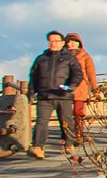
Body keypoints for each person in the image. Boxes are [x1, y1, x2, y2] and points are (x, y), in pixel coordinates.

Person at [28, 30, 83, 159]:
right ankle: (37, 146)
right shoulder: (41, 58)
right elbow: (33, 76)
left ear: (62, 43)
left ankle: (68, 143)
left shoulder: (69, 57)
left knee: (66, 121)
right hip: (45, 95)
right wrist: (31, 91)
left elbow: (78, 74)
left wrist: (71, 86)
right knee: (41, 121)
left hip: (63, 95)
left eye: (56, 41)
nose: (53, 43)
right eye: (51, 41)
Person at [64, 32, 99, 151]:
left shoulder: (85, 56)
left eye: (75, 41)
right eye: (70, 41)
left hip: (80, 88)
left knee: (78, 113)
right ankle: (67, 136)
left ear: (79, 43)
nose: (72, 43)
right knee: (66, 114)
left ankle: (79, 134)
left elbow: (91, 73)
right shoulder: (61, 55)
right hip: (65, 89)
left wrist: (95, 88)